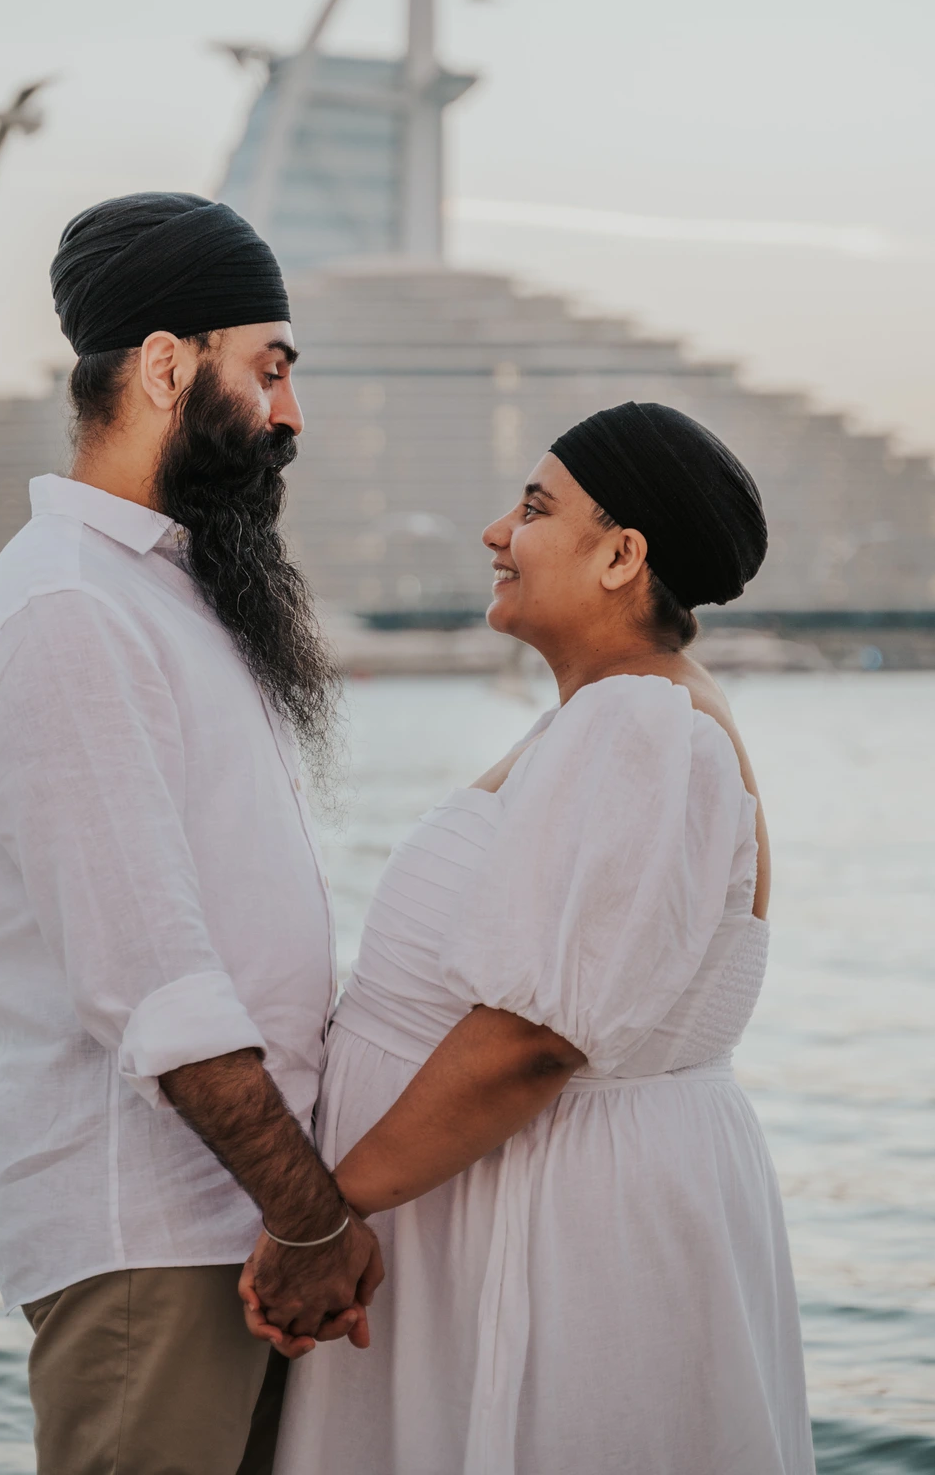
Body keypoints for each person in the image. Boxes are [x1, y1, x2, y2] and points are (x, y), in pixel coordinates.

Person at [256, 401, 815, 1475]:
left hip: (547, 1224)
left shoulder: (634, 728)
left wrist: (317, 1220)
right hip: (512, 1204)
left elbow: (532, 1039)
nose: (493, 534)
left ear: (619, 555)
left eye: (531, 507)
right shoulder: (615, 717)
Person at [0, 193, 381, 1475]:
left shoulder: (159, 594)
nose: (289, 414)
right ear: (167, 365)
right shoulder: (66, 610)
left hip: (221, 1225)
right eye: (272, 367)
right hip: (155, 1240)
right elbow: (151, 982)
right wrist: (306, 1222)